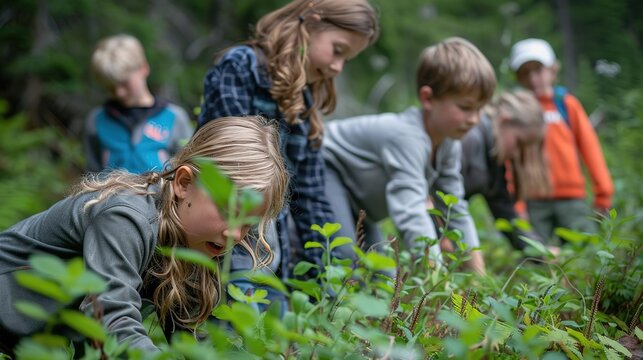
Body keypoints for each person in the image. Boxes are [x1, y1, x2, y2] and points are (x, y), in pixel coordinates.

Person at [0, 116, 288, 354]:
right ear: (184, 183)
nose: (236, 234)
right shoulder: (127, 218)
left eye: (249, 224)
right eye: (228, 211)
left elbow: (194, 343)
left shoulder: (193, 241)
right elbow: (110, 320)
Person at [198, 0, 379, 284]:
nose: (337, 67)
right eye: (337, 50)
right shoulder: (242, 67)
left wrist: (323, 273)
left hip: (271, 257)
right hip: (221, 244)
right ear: (312, 22)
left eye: (346, 60)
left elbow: (311, 192)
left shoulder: (303, 101)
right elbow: (232, 164)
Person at [322, 37, 496, 275]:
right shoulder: (406, 137)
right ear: (427, 98)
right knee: (344, 255)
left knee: (383, 276)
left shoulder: (448, 143)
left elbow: (454, 209)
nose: (475, 119)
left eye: (480, 109)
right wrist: (436, 280)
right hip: (324, 167)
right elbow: (412, 214)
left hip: (359, 202)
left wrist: (478, 279)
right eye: (465, 108)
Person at [509, 38, 614, 242]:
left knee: (586, 254)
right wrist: (518, 205)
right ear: (518, 78)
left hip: (572, 198)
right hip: (534, 202)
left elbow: (590, 149)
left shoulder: (567, 105)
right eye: (525, 72)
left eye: (537, 70)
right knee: (536, 258)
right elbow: (511, 161)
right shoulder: (516, 113)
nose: (533, 78)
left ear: (552, 70)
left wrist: (603, 193)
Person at [84, 34, 193, 174]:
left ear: (144, 68)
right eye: (110, 86)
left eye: (124, 83)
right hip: (111, 195)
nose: (119, 92)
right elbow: (91, 173)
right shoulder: (97, 120)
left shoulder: (174, 117)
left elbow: (190, 172)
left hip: (160, 195)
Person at [460, 89, 551, 251]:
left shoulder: (493, 160)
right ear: (504, 120)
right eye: (519, 143)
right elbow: (433, 193)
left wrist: (540, 251)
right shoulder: (469, 139)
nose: (516, 154)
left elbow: (506, 214)